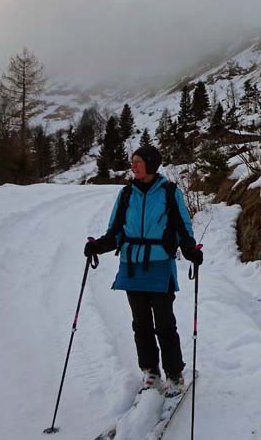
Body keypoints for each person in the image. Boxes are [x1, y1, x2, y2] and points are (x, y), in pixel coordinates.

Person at [84, 144, 203, 397]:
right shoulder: (126, 194)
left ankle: (173, 374)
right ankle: (150, 371)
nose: (133, 165)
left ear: (151, 163)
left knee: (164, 324)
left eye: (137, 161)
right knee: (141, 325)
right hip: (131, 267)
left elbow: (184, 228)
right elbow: (115, 231)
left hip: (160, 266)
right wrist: (98, 246)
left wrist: (190, 249)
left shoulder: (170, 192)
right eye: (132, 161)